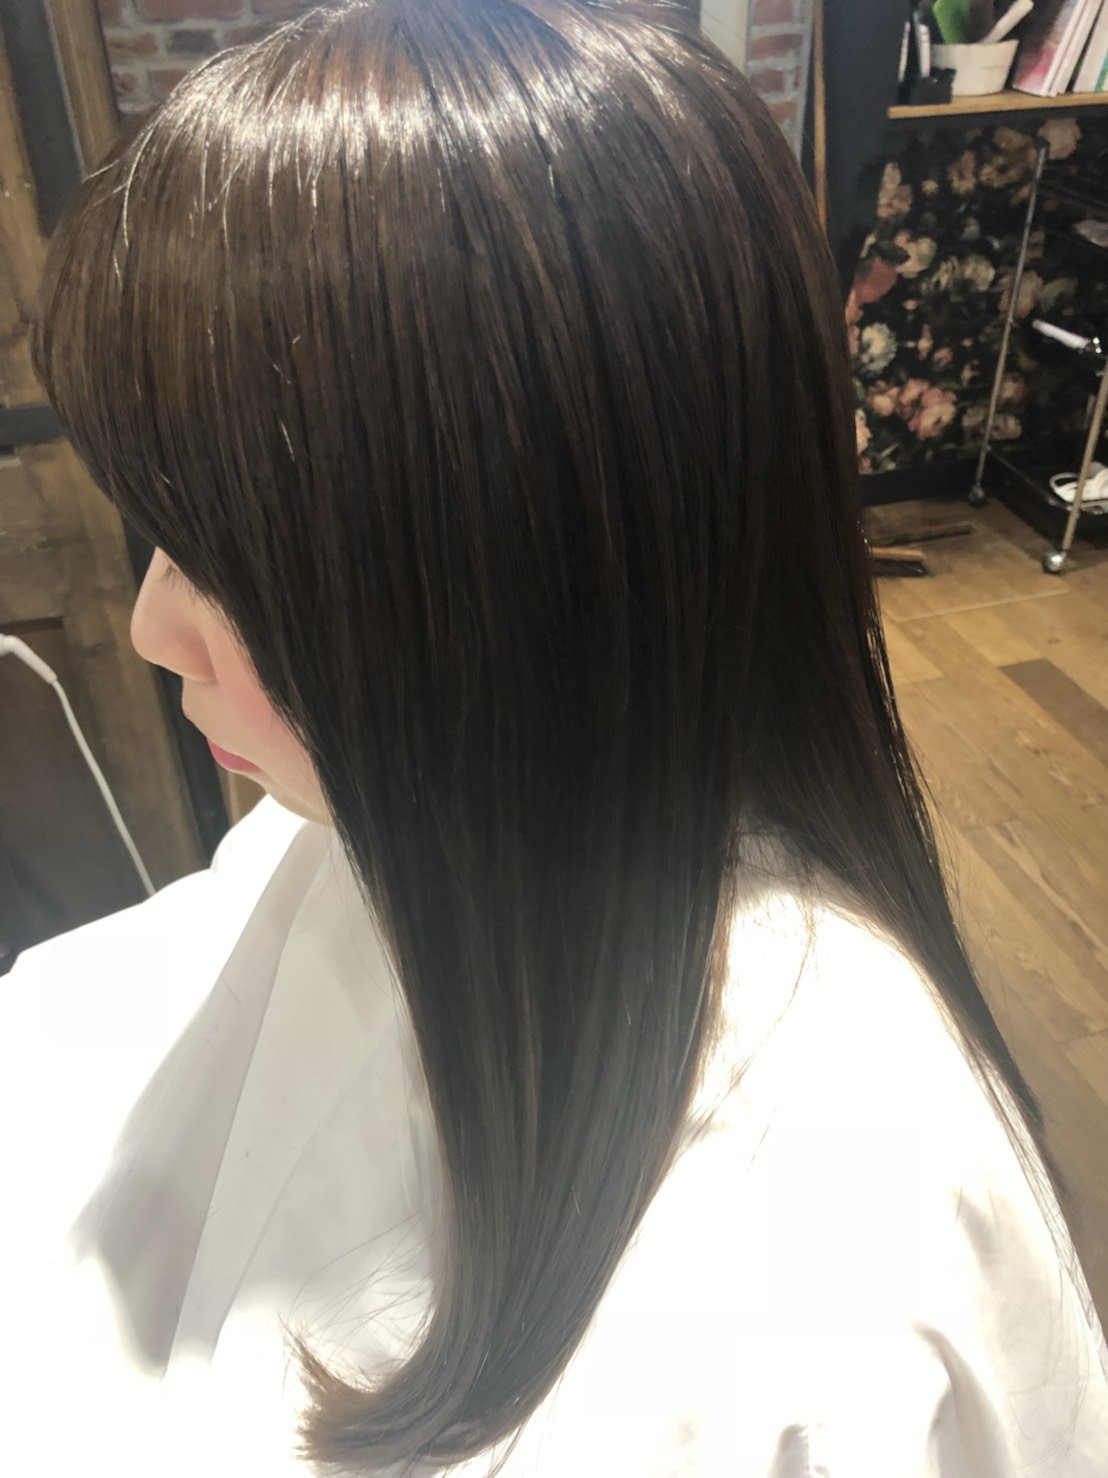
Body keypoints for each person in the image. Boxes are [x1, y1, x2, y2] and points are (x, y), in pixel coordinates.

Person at [6, 0, 1107, 1472]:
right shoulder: (385, 830)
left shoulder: (822, 1273)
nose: (153, 629)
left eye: (226, 560)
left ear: (519, 566)